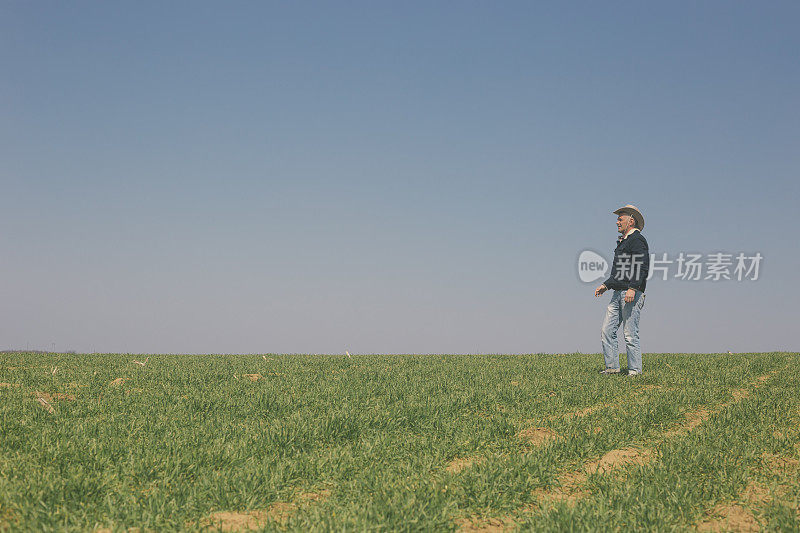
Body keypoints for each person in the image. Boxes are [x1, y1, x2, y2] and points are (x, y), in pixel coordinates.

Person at [594, 205, 649, 376]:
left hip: (630, 293)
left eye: (620, 218)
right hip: (617, 293)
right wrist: (606, 285)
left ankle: (634, 371)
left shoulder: (637, 240)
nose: (617, 221)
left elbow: (641, 266)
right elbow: (619, 272)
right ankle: (612, 367)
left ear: (631, 221)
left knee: (630, 334)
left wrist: (633, 288)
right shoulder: (622, 242)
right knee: (607, 331)